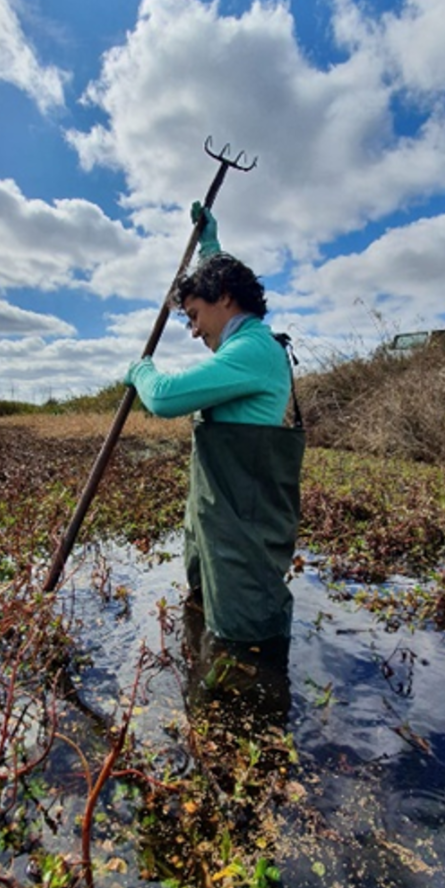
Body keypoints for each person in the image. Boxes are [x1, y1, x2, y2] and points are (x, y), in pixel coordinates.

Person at [123, 203, 304, 643]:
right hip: (220, 529)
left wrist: (140, 370)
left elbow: (164, 398)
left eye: (193, 315)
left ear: (224, 298)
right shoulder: (244, 342)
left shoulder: (253, 352)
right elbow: (216, 281)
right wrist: (209, 244)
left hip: (241, 543)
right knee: (203, 635)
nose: (192, 329)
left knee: (243, 654)